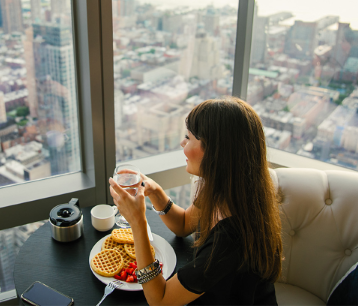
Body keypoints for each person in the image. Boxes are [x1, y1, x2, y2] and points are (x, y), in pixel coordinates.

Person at [109, 97, 283, 305]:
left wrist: (138, 221)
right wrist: (156, 193)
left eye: (189, 137)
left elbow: (160, 299)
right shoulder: (224, 188)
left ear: (215, 153)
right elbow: (183, 225)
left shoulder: (231, 239)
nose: (183, 142)